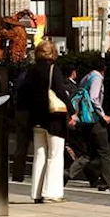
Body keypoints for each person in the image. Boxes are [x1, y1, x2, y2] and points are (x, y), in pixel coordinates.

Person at [18, 41, 72, 204]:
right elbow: (61, 92)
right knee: (55, 155)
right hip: (53, 118)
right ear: (53, 53)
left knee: (39, 155)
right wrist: (73, 111)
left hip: (36, 118)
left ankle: (36, 192)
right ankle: (52, 192)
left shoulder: (31, 71)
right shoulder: (53, 69)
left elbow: (24, 95)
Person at [78, 57, 110, 192]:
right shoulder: (97, 78)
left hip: (84, 119)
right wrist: (103, 115)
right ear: (104, 68)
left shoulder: (85, 78)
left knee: (89, 153)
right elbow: (94, 97)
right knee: (104, 153)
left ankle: (68, 173)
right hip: (94, 119)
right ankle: (105, 182)